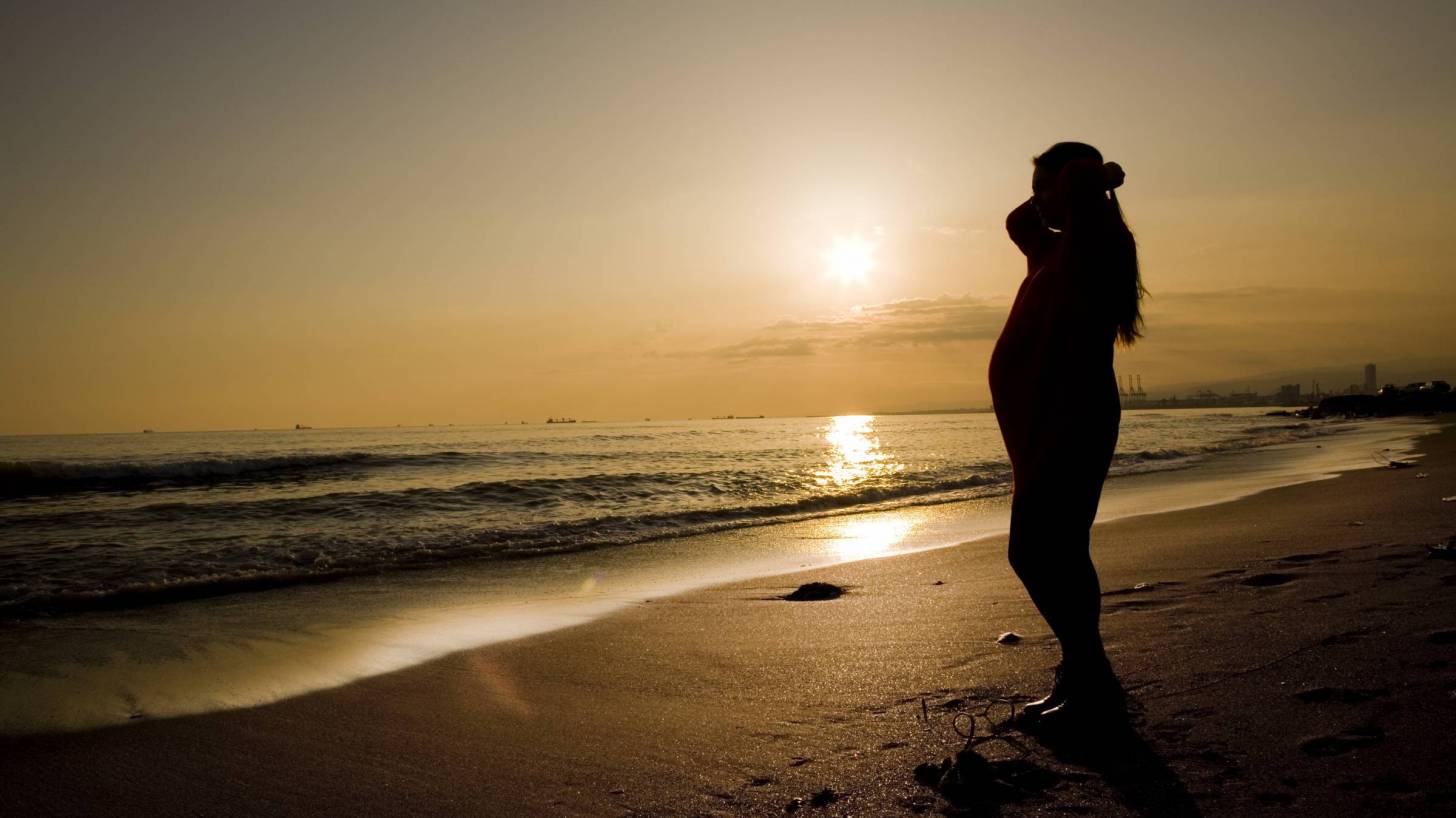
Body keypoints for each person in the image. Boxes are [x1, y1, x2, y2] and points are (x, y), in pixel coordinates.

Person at [987, 141, 1146, 728]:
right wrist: (1057, 187)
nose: (1037, 200)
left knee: (1033, 551)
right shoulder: (1049, 250)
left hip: (1074, 416)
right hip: (1041, 424)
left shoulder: (1096, 246)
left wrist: (1090, 177)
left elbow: (1077, 196)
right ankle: (1086, 676)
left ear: (1077, 190)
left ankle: (1090, 675)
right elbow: (1017, 221)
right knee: (1057, 550)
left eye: (1048, 187)